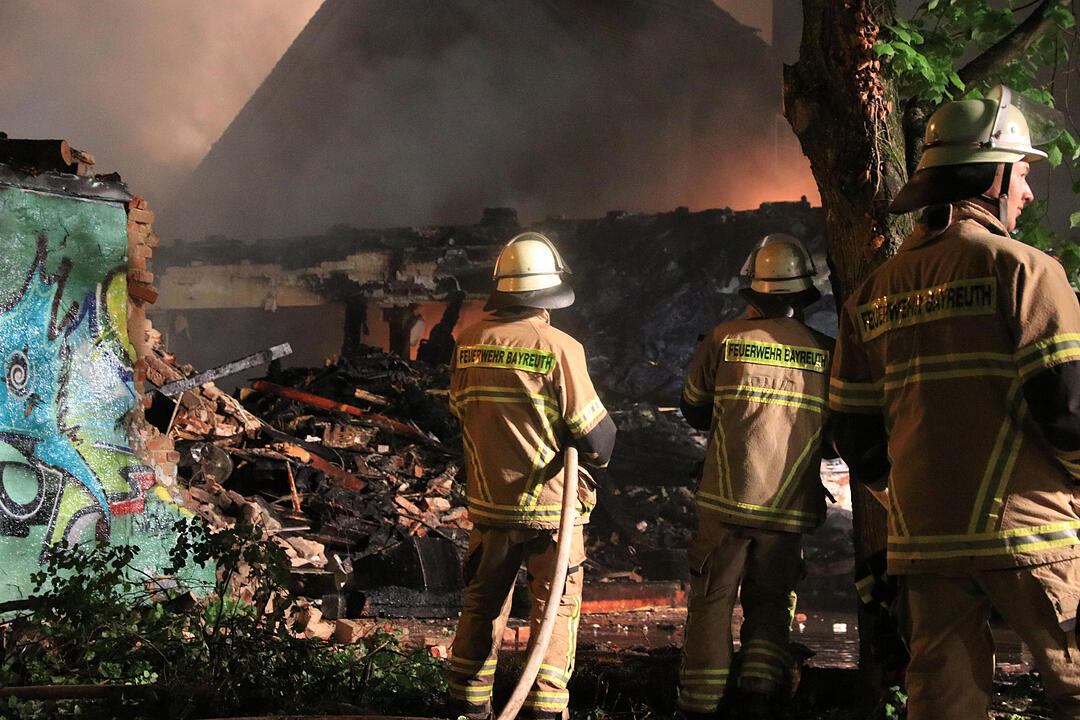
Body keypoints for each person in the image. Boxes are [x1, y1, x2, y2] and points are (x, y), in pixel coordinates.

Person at [829, 85, 1080, 720]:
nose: (1025, 191)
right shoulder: (1024, 270)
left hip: (926, 543)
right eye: (1022, 174)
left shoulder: (872, 293)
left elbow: (852, 430)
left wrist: (910, 495)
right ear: (994, 176)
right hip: (1033, 534)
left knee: (942, 705)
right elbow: (1067, 410)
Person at [446, 231, 617, 720]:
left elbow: (459, 411)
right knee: (554, 612)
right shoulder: (559, 347)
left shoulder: (469, 342)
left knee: (481, 607)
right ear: (548, 293)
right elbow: (599, 442)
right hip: (551, 511)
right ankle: (544, 711)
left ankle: (468, 707)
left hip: (489, 507)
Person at [678, 234, 833, 719]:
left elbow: (694, 411)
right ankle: (759, 695)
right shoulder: (827, 352)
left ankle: (700, 704)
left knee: (711, 600)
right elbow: (836, 433)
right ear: (803, 294)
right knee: (770, 603)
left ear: (754, 292)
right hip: (788, 508)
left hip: (725, 499)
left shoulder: (723, 340)